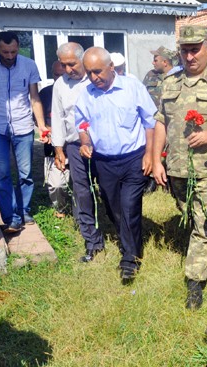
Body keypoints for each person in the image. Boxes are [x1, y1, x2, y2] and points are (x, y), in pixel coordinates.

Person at [152, 25, 207, 310]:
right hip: (176, 169)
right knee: (193, 218)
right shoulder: (170, 84)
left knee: (203, 224)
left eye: (195, 49)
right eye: (185, 50)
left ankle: (194, 283)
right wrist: (156, 159)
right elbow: (161, 122)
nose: (190, 55)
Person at [75, 47, 156, 283]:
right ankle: (131, 240)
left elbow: (150, 122)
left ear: (111, 67)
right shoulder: (86, 94)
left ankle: (130, 259)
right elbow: (81, 123)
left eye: (98, 72)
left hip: (133, 158)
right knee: (113, 208)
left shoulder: (133, 88)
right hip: (104, 161)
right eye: (89, 73)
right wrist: (84, 142)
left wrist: (150, 155)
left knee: (130, 205)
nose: (93, 78)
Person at [0, 31, 48, 233]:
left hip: (23, 127)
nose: (9, 56)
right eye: (5, 51)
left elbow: (35, 97)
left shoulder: (29, 65)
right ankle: (11, 217)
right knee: (2, 173)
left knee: (26, 173)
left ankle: (23, 210)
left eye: (13, 51)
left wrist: (41, 125)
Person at [51, 42, 103, 263]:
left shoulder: (96, 79)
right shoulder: (60, 85)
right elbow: (57, 117)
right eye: (64, 65)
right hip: (74, 146)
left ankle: (120, 231)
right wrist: (58, 149)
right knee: (81, 192)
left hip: (102, 146)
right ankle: (92, 241)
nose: (68, 69)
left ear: (82, 60)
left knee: (109, 190)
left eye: (71, 64)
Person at [39, 61, 69, 218]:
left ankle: (82, 210)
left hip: (75, 146)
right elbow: (39, 121)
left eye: (63, 74)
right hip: (52, 150)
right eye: (56, 74)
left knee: (81, 186)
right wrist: (47, 131)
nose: (60, 78)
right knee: (56, 185)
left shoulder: (76, 90)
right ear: (52, 74)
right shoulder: (44, 94)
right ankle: (60, 208)